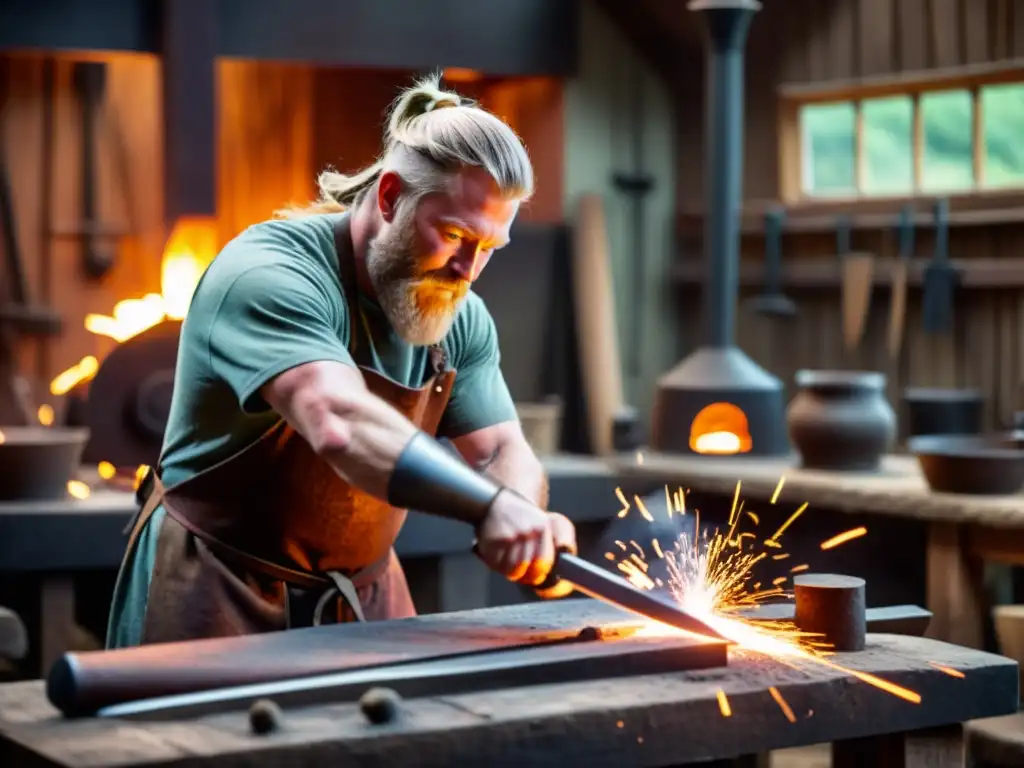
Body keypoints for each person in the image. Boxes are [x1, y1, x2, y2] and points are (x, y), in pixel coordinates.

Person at [106, 74, 577, 648]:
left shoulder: (461, 313)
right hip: (214, 589)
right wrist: (489, 506)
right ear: (388, 196)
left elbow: (503, 448)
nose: (469, 270)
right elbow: (337, 420)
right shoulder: (268, 274)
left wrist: (523, 519)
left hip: (362, 600)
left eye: (489, 248)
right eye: (454, 234)